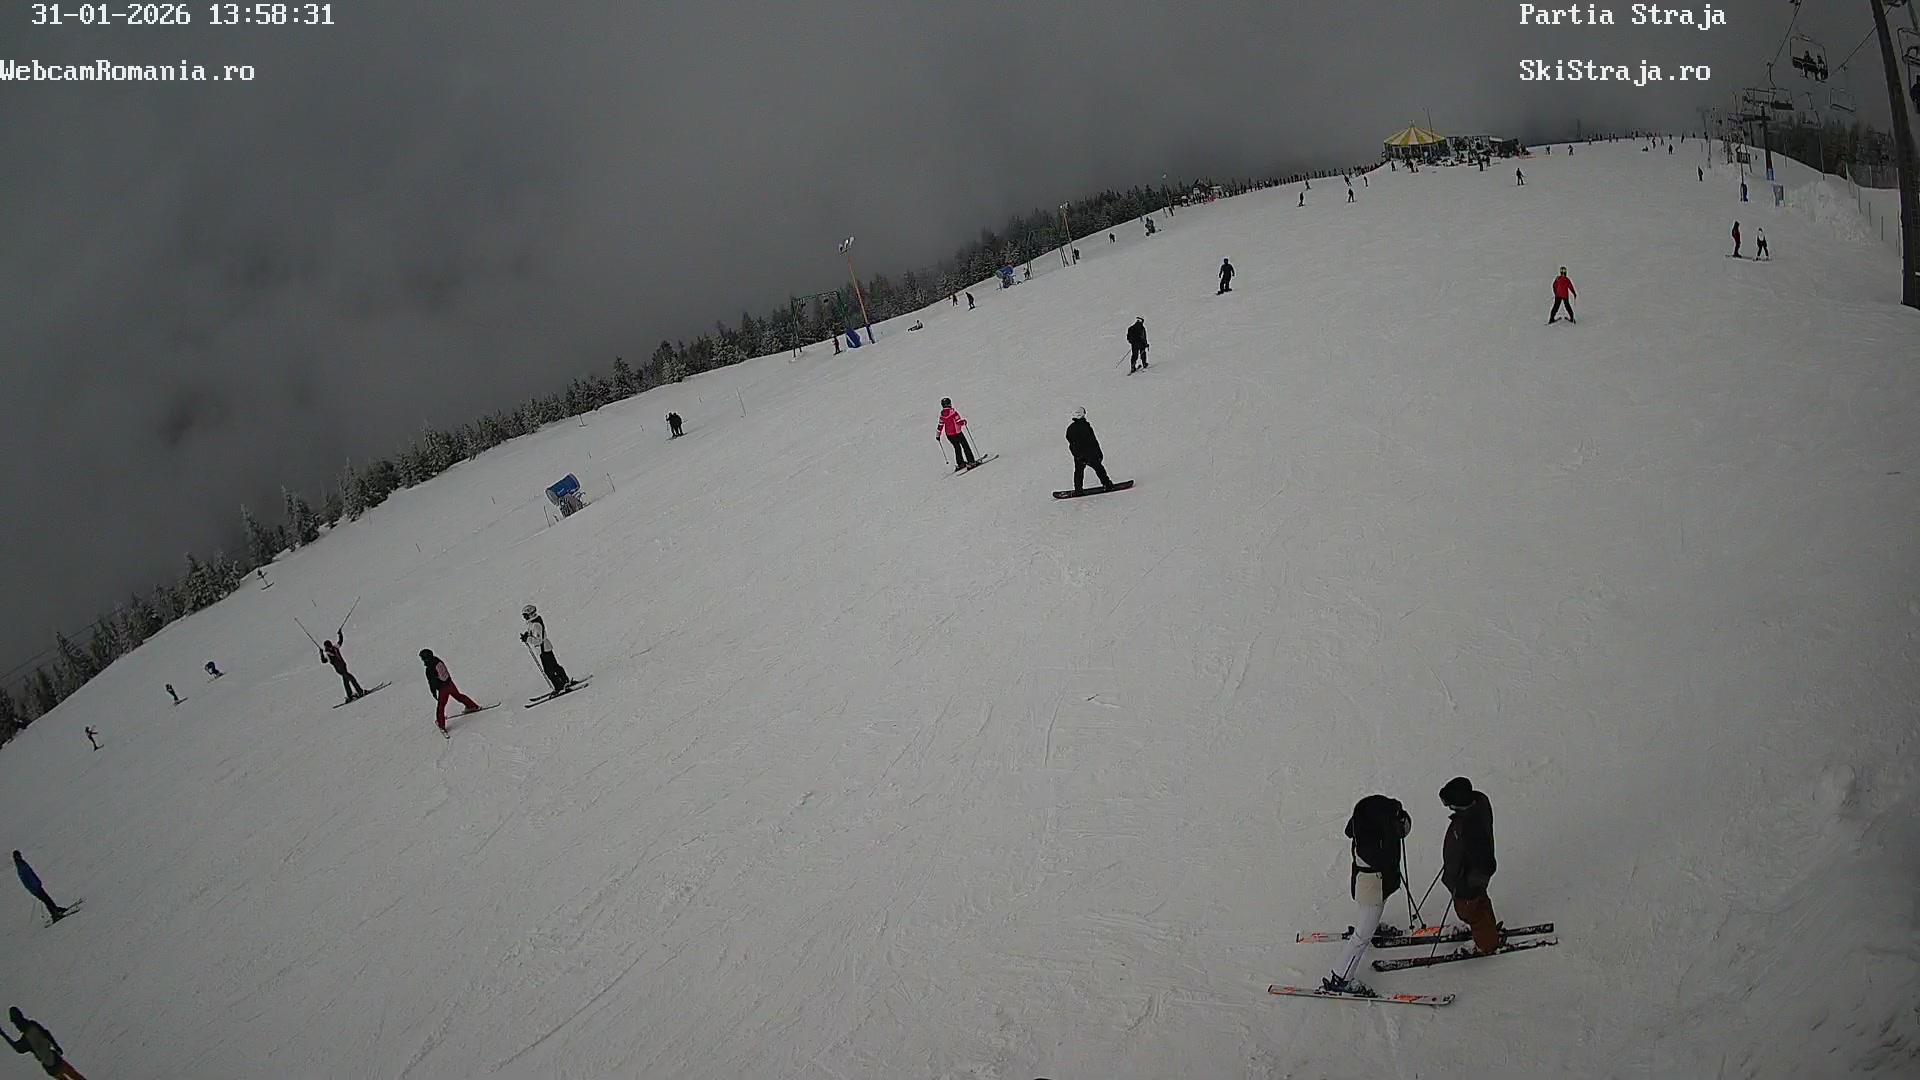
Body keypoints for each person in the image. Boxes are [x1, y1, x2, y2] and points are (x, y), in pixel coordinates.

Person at [1325, 794, 1412, 996]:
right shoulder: (1382, 830)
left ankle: (1372, 926)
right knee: (1361, 936)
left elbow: (1349, 830)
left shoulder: (1370, 812)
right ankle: (1340, 978)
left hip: (1373, 880)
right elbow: (1383, 857)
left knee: (1374, 908)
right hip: (1373, 882)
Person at [1439, 777, 1500, 955]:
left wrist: (1464, 883)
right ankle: (1488, 931)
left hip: (1468, 880)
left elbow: (1484, 863)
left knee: (1470, 911)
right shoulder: (1478, 804)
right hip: (1471, 876)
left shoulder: (1470, 827)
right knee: (1479, 903)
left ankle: (1486, 945)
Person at [4, 1008, 87, 1080]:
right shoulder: (33, 1025)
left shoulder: (25, 1041)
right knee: (73, 1074)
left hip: (49, 1067)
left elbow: (18, 1048)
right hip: (55, 1058)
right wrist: (56, 1046)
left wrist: (3, 1034)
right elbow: (47, 1034)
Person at [420, 649, 481, 737]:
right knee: (458, 696)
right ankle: (472, 706)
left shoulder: (429, 669)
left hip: (443, 688)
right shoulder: (437, 660)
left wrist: (434, 692)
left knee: (441, 706)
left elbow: (432, 682)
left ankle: (441, 724)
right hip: (449, 683)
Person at [520, 606, 573, 695]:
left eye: (526, 616)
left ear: (530, 614)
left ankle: (559, 686)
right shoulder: (532, 623)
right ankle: (565, 681)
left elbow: (539, 640)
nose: (525, 618)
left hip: (544, 650)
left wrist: (528, 639)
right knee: (554, 666)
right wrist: (527, 635)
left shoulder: (536, 625)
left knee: (549, 670)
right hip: (543, 650)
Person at [1065, 408, 1113, 492]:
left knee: (1079, 472)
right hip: (1090, 454)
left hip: (1082, 455)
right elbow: (1092, 441)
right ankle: (1107, 485)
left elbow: (1073, 445)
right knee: (1099, 469)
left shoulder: (1072, 428)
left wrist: (1078, 456)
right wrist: (1098, 453)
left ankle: (1078, 490)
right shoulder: (1085, 426)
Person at [12, 852, 68, 923]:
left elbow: (31, 874)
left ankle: (56, 910)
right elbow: (26, 881)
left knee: (47, 899)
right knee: (46, 900)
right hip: (35, 888)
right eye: (18, 856)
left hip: (37, 885)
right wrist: (35, 887)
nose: (20, 857)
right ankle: (55, 914)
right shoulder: (20, 868)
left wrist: (38, 882)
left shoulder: (23, 864)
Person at [321, 631, 366, 702]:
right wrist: (321, 653)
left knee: (346, 682)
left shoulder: (335, 648)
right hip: (340, 670)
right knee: (352, 679)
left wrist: (340, 634)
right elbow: (324, 661)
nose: (330, 647)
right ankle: (360, 692)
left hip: (344, 668)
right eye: (328, 646)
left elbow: (340, 642)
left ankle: (350, 696)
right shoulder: (328, 654)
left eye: (330, 645)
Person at [936, 398, 976, 470]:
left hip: (949, 435)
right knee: (965, 446)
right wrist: (964, 422)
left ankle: (960, 463)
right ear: (949, 404)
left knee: (957, 448)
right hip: (958, 433)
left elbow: (940, 426)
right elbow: (959, 422)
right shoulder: (954, 413)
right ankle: (971, 462)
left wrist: (938, 436)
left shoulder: (942, 416)